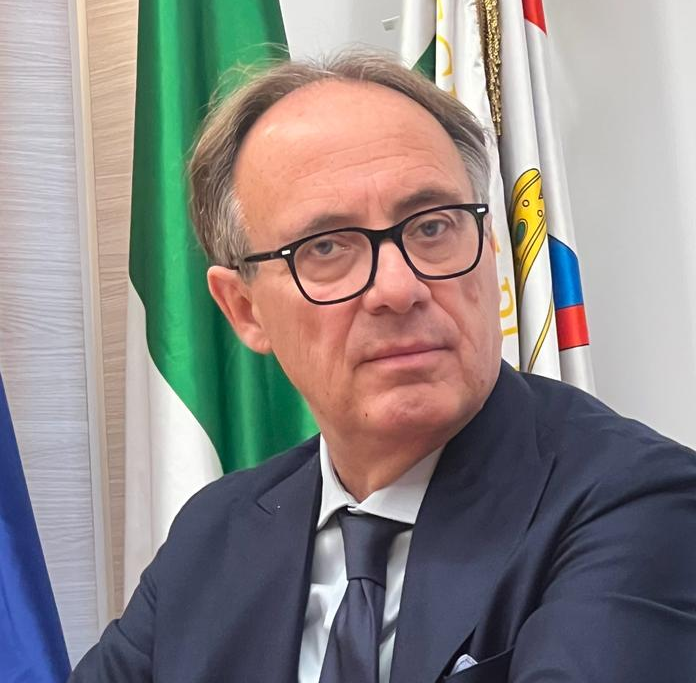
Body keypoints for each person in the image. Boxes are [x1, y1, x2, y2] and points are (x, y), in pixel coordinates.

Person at [70, 51, 696, 682]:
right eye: (326, 247)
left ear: (488, 249)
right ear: (244, 310)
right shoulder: (213, 535)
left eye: (432, 227)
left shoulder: (638, 501)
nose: (399, 288)